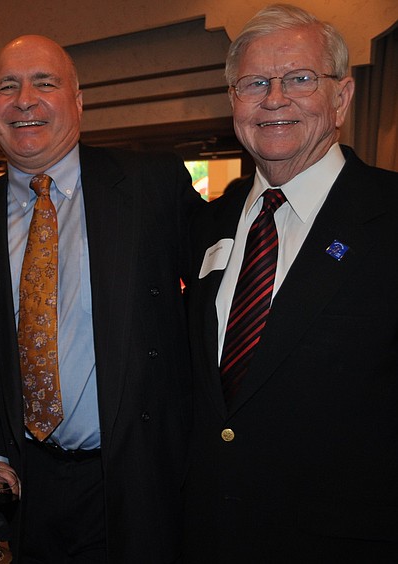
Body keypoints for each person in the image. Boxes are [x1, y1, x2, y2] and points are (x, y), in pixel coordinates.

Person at [0, 35, 202, 562]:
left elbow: (218, 290)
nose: (24, 100)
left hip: (141, 477)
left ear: (78, 102)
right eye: (7, 86)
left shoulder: (149, 186)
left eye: (44, 83)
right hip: (29, 484)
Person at [183, 5, 398, 562]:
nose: (274, 99)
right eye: (254, 83)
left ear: (342, 98)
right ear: (233, 100)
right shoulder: (207, 222)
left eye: (300, 79)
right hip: (208, 535)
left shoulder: (390, 215)